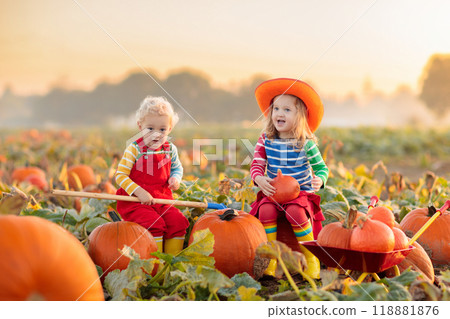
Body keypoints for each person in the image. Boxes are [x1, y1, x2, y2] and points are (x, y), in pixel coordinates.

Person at [249, 78, 329, 279]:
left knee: (295, 212)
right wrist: (259, 179)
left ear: (299, 116)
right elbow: (257, 164)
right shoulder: (265, 139)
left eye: (287, 110)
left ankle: (311, 258)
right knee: (266, 209)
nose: (279, 114)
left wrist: (319, 179)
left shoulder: (306, 143)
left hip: (299, 194)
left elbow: (321, 168)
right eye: (276, 108)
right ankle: (271, 259)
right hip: (273, 193)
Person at [115, 96, 189, 254]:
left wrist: (176, 178)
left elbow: (177, 168)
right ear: (140, 126)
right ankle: (155, 264)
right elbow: (120, 176)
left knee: (178, 222)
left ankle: (171, 264)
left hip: (161, 199)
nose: (156, 134)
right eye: (150, 129)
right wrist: (139, 192)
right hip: (135, 201)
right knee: (154, 223)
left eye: (162, 129)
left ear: (169, 129)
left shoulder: (170, 149)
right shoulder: (134, 149)